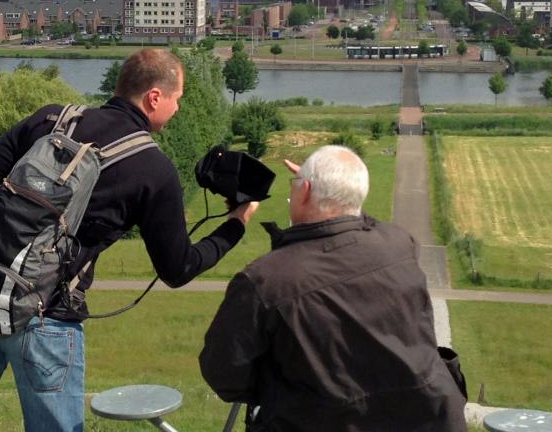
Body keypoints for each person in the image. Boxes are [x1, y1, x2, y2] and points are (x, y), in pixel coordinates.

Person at [0, 48, 260, 431]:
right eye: (177, 99)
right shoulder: (154, 168)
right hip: (48, 316)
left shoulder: (51, 119)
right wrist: (235, 225)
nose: (177, 108)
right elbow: (177, 268)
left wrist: (16, 230)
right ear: (154, 97)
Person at [199, 145, 466, 431]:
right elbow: (360, 228)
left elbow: (223, 374)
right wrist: (327, 186)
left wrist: (283, 386)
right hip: (426, 419)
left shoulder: (264, 280)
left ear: (303, 192)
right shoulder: (400, 244)